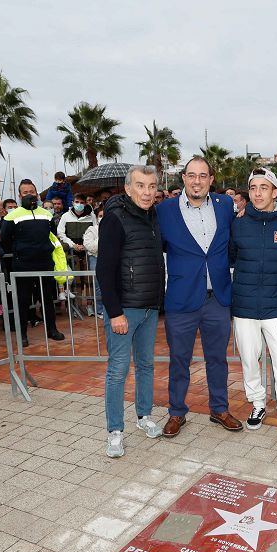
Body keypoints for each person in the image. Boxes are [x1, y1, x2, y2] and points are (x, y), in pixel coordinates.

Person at [157, 156, 241, 437]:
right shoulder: (164, 210)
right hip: (181, 299)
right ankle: (177, 412)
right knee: (179, 359)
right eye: (191, 175)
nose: (197, 181)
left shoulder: (225, 205)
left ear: (211, 179)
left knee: (218, 358)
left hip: (217, 297)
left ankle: (219, 408)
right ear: (183, 178)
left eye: (203, 175)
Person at [96, 165, 165, 458]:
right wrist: (114, 312)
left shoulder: (154, 217)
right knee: (118, 371)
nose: (147, 192)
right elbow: (104, 270)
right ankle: (114, 430)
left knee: (147, 365)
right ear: (128, 188)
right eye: (140, 186)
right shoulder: (115, 219)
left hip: (150, 308)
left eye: (151, 186)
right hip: (124, 310)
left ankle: (144, 415)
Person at [230, 168, 277, 446]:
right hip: (244, 306)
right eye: (253, 188)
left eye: (264, 187)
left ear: (275, 192)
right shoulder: (238, 224)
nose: (258, 193)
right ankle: (257, 403)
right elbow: (231, 259)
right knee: (249, 360)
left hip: (276, 307)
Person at [2, 179, 66, 346]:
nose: (29, 195)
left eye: (32, 192)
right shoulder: (12, 215)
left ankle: (52, 330)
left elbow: (52, 235)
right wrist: (19, 251)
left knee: (47, 298)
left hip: (45, 262)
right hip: (22, 264)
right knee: (23, 300)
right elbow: (5, 239)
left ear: (36, 194)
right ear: (19, 195)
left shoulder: (46, 214)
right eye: (25, 192)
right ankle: (22, 334)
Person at [83, 203, 104, 318]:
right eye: (100, 215)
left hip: (110, 260)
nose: (102, 218)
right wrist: (102, 239)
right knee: (98, 285)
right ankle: (99, 309)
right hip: (95, 259)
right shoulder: (91, 229)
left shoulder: (114, 229)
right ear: (96, 217)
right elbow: (89, 246)